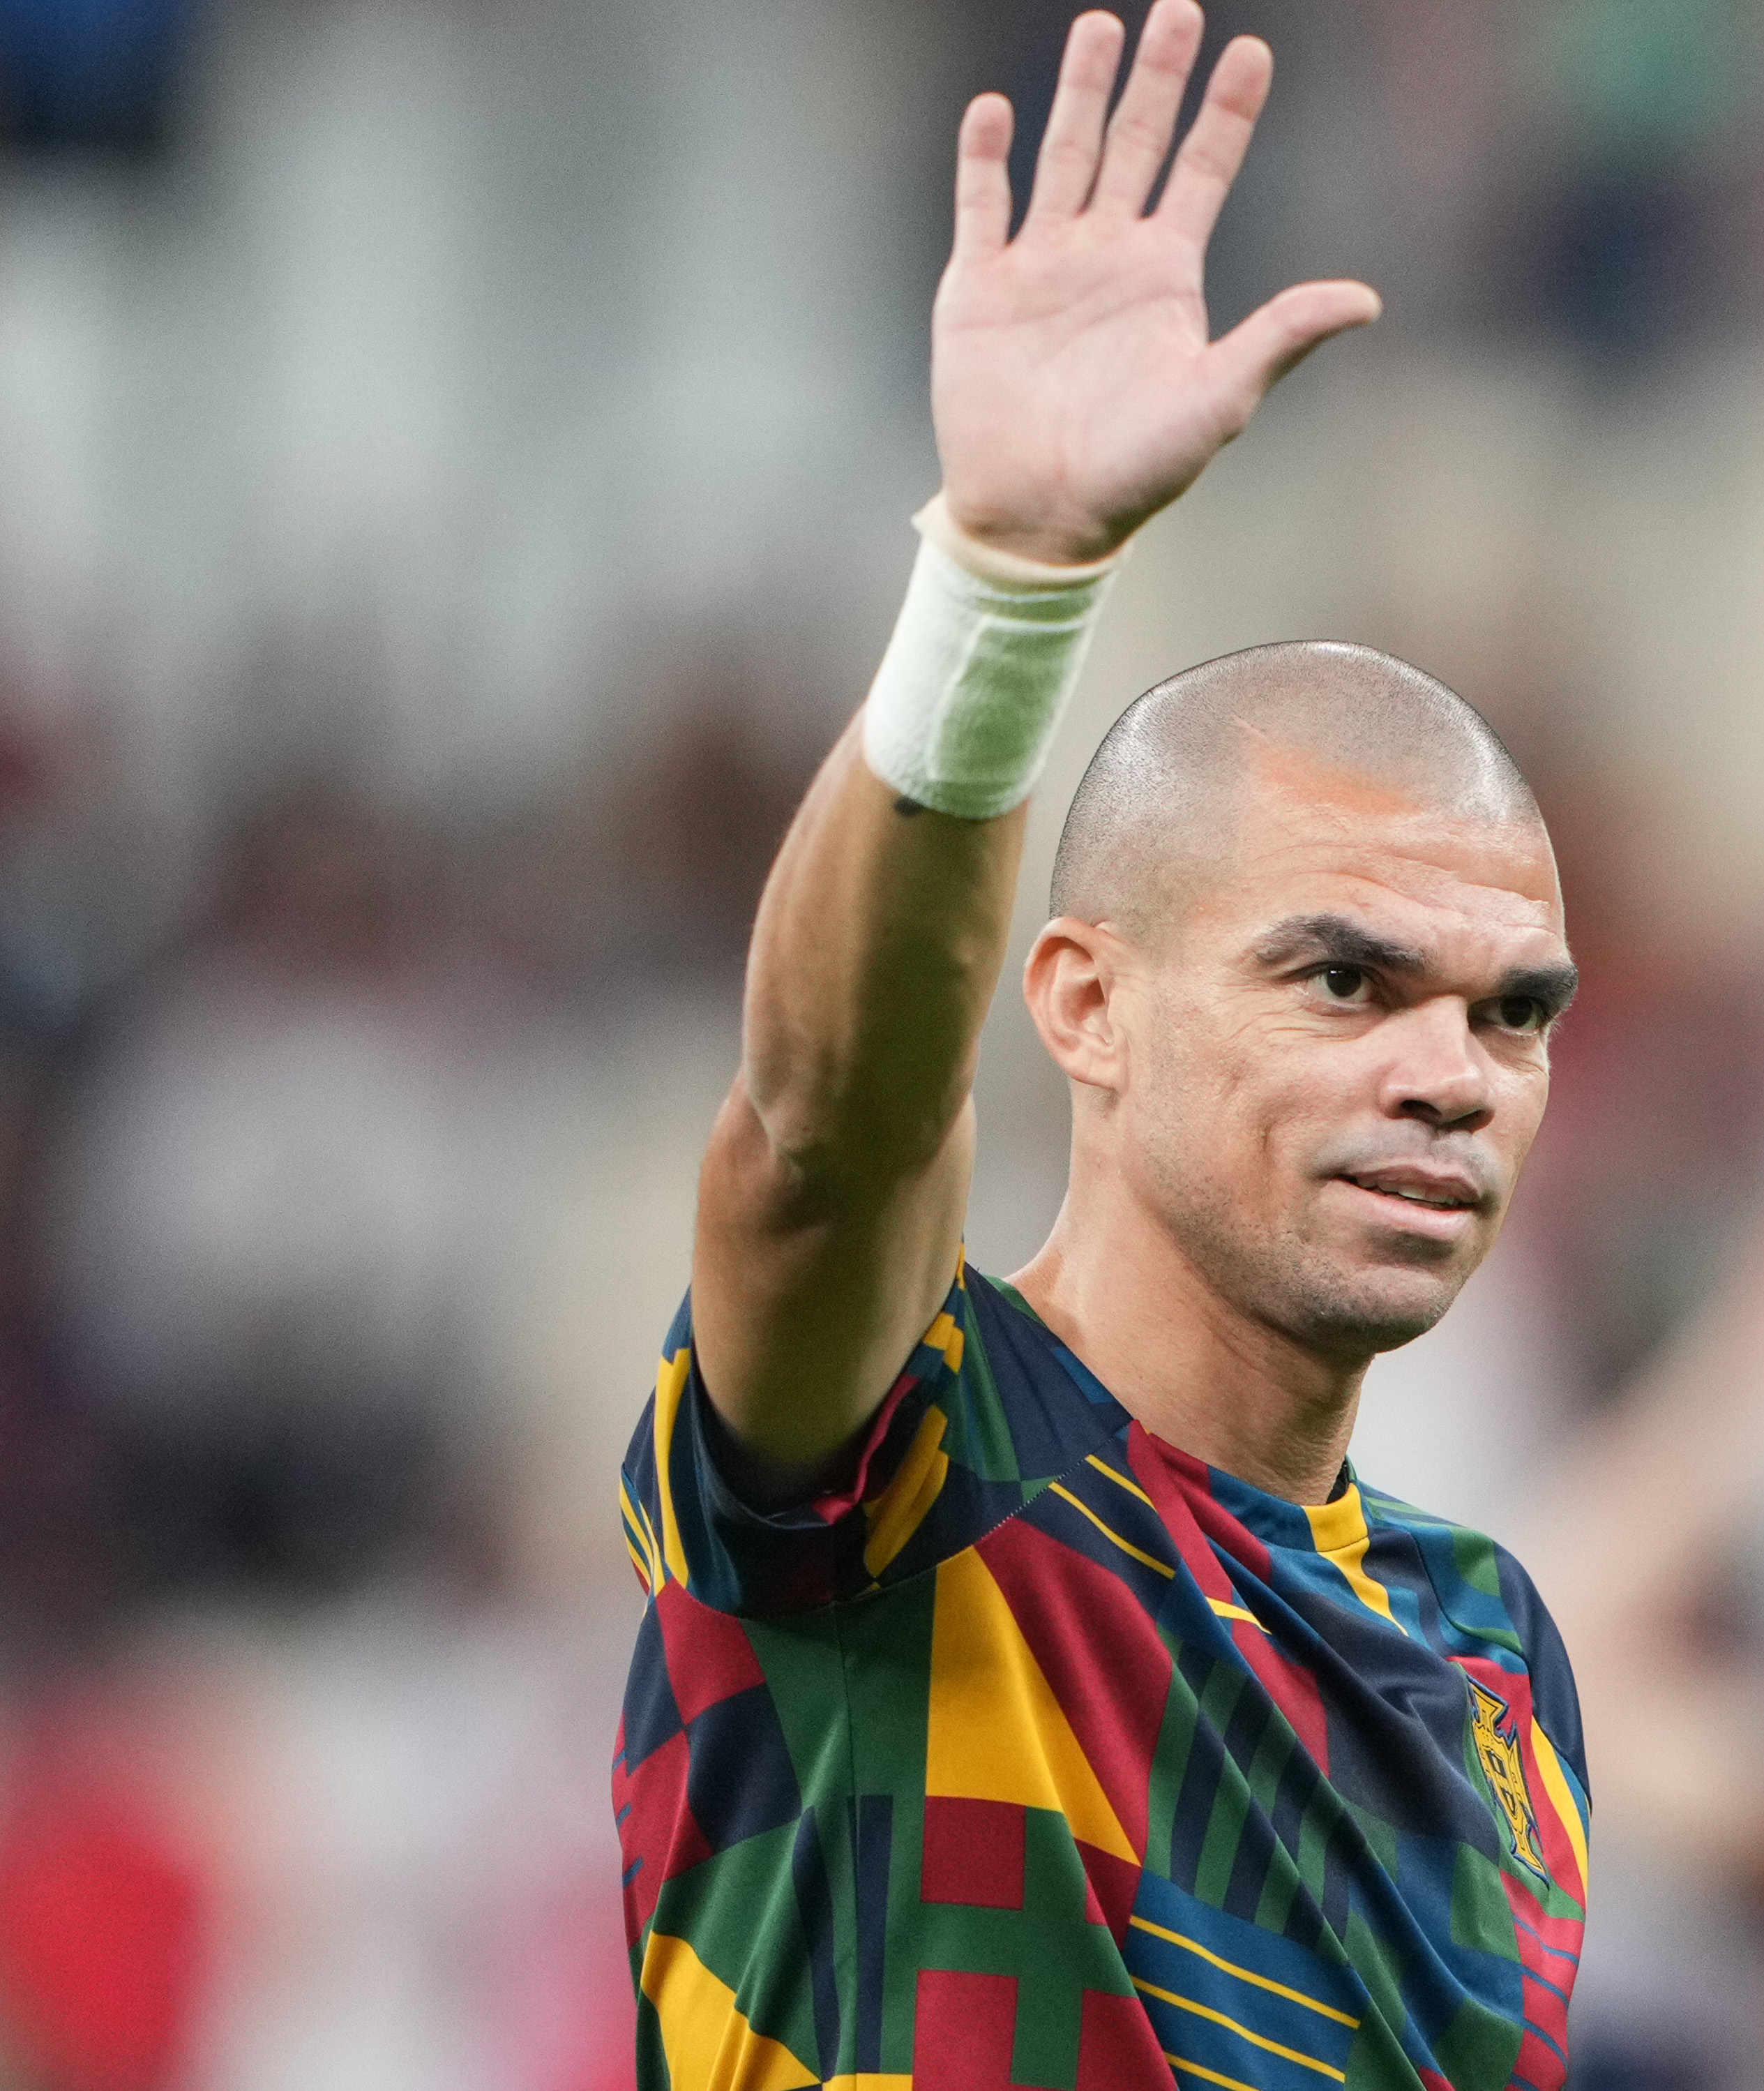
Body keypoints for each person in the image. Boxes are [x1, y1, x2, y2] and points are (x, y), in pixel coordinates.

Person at [611, 9, 1590, 2086]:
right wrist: (1004, 593)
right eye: (1343, 981)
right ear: (1083, 1006)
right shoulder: (906, 1460)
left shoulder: (1489, 1653)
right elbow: (820, 1132)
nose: (1453, 1073)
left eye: (1512, 1012)